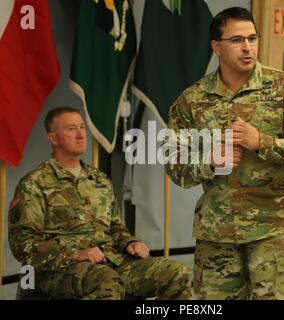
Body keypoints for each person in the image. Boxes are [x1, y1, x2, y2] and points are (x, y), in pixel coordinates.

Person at [165, 7, 284, 300]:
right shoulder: (192, 100)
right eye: (237, 40)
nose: (247, 47)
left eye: (252, 38)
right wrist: (209, 161)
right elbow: (174, 164)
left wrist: (263, 142)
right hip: (217, 233)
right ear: (216, 47)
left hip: (274, 229)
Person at [9, 106, 191, 300]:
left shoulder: (99, 180)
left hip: (111, 261)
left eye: (82, 127)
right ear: (53, 138)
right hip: (60, 270)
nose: (81, 135)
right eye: (71, 129)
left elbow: (115, 228)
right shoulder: (34, 184)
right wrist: (74, 254)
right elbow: (23, 245)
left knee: (177, 273)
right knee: (107, 282)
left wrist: (131, 243)